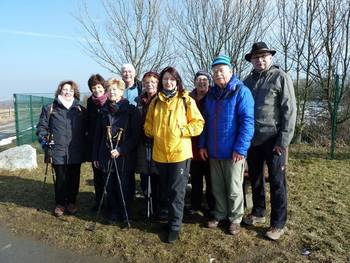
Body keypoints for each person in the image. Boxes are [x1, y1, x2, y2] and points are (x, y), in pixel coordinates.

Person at [243, 42, 297, 240]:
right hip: (252, 141)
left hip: (274, 140)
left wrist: (283, 141)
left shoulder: (280, 77)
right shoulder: (247, 81)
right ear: (252, 61)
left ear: (270, 58)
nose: (259, 60)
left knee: (277, 182)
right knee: (255, 179)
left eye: (263, 56)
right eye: (256, 57)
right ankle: (258, 212)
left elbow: (289, 111)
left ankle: (278, 224)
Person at [144, 66, 204, 243]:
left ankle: (175, 227)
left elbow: (199, 123)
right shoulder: (156, 101)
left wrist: (183, 130)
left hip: (180, 154)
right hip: (160, 154)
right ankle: (170, 221)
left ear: (177, 81)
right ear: (161, 81)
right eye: (165, 79)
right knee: (165, 191)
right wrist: (152, 131)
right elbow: (148, 124)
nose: (168, 82)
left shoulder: (185, 100)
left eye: (172, 79)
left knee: (177, 192)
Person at [199, 55, 254, 235]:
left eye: (221, 70)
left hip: (233, 151)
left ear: (231, 71)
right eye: (215, 71)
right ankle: (221, 213)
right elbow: (204, 122)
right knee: (217, 186)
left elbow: (247, 122)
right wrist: (202, 145)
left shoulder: (241, 91)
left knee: (234, 188)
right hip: (214, 150)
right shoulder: (211, 95)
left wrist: (241, 148)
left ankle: (235, 218)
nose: (218, 74)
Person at [92, 78, 141, 225]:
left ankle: (126, 213)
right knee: (110, 185)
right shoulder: (103, 111)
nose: (112, 92)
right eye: (109, 90)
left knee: (124, 186)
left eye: (115, 89)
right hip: (105, 154)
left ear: (121, 91)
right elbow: (97, 135)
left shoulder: (131, 110)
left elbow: (136, 135)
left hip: (124, 156)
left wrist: (121, 149)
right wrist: (95, 155)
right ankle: (113, 212)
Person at [36, 80, 86, 217]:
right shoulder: (50, 108)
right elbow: (41, 127)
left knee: (74, 178)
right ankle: (60, 204)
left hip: (75, 150)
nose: (67, 92)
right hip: (57, 151)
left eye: (70, 90)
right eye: (65, 89)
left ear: (74, 92)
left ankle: (71, 202)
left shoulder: (80, 110)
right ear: (60, 91)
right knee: (61, 178)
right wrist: (45, 139)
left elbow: (87, 130)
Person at [187, 70, 214, 216]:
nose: (201, 82)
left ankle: (211, 204)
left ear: (209, 82)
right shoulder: (189, 98)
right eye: (199, 80)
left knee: (210, 178)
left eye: (205, 80)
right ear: (195, 82)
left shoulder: (213, 97)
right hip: (193, 144)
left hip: (210, 142)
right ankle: (195, 203)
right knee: (196, 177)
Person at [135, 71, 160, 216]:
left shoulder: (161, 99)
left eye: (153, 82)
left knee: (157, 175)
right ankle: (147, 201)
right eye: (147, 82)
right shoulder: (139, 100)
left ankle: (157, 204)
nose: (150, 85)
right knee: (144, 174)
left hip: (157, 142)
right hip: (142, 141)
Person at [86, 74, 108, 210]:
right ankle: (99, 200)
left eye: (99, 87)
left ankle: (111, 200)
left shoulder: (110, 99)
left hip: (108, 142)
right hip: (94, 142)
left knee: (108, 173)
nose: (97, 90)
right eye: (93, 88)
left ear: (103, 86)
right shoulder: (90, 102)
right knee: (97, 173)